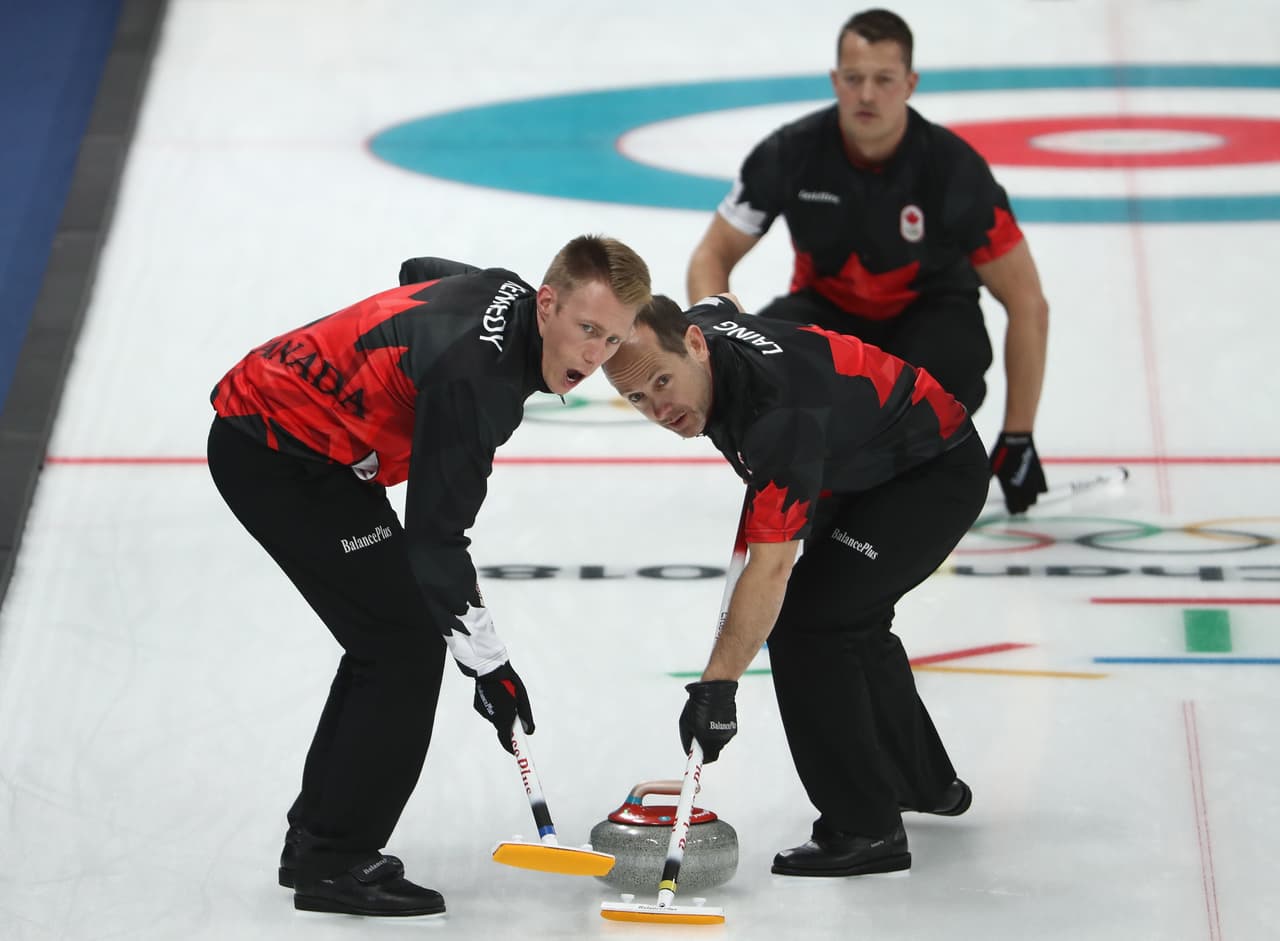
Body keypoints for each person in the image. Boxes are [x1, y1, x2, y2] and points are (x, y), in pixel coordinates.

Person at [206, 235, 651, 916]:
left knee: (388, 638)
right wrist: (491, 668)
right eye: (587, 330)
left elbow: (421, 273)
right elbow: (437, 542)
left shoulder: (500, 289)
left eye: (613, 341)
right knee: (405, 644)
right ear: (548, 303)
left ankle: (322, 838)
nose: (595, 357)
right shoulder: (480, 383)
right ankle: (333, 859)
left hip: (301, 438)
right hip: (277, 451)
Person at [603, 293, 987, 877]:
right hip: (857, 466)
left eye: (661, 381)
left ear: (697, 347)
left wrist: (717, 688)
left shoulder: (775, 415)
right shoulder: (701, 334)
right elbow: (719, 300)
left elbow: (772, 568)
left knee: (811, 624)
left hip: (927, 471)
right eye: (637, 398)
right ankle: (922, 784)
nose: (659, 408)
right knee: (848, 618)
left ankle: (864, 829)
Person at [686, 8, 1050, 514]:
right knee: (760, 357)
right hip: (828, 312)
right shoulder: (790, 154)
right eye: (854, 79)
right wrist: (720, 331)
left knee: (959, 364)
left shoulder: (955, 171)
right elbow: (713, 253)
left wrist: (1018, 437)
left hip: (930, 313)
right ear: (835, 80)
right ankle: (819, 471)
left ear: (910, 83)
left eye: (883, 79)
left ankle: (903, 471)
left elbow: (1028, 303)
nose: (866, 94)